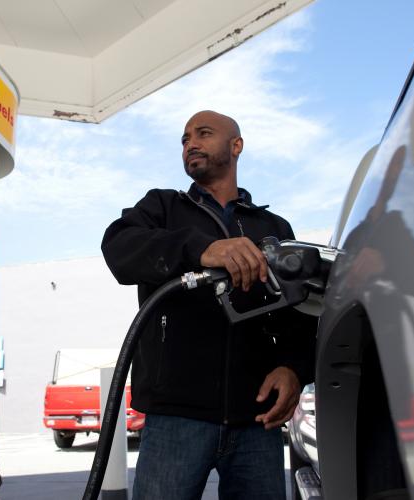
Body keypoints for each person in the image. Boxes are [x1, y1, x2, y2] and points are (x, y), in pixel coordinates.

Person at [101, 110, 317, 499]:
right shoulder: (163, 209)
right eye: (184, 139)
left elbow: (298, 317)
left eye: (203, 134)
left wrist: (294, 369)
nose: (191, 144)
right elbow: (118, 248)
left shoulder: (274, 229)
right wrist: (202, 249)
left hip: (257, 419)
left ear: (236, 146)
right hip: (175, 418)